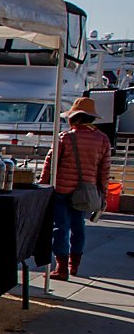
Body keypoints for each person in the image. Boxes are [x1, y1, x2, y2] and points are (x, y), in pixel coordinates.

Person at [50, 96, 112, 279]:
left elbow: (51, 163)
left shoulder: (65, 137)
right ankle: (74, 265)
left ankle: (61, 268)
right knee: (79, 227)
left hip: (62, 189)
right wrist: (103, 194)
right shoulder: (102, 139)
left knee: (60, 227)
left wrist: (45, 184)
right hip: (86, 192)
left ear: (74, 118)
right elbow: (105, 169)